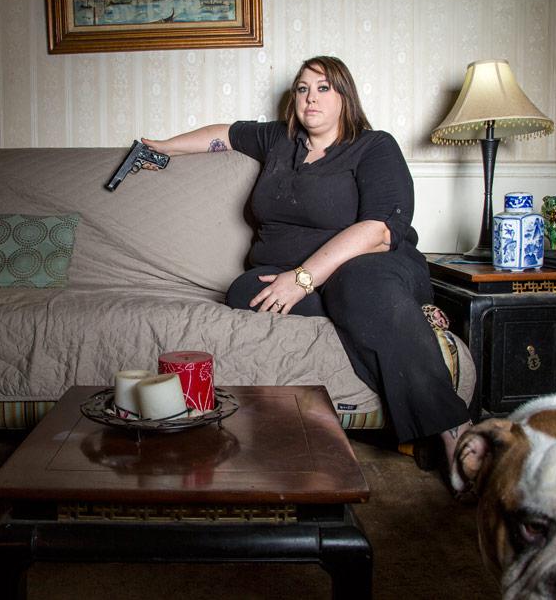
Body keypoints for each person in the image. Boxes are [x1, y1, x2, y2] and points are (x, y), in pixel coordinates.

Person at [141, 55, 471, 474]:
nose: (310, 98)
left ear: (344, 96)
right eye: (302, 89)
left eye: (323, 88)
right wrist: (164, 147)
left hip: (368, 265)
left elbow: (378, 231)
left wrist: (302, 279)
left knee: (356, 287)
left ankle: (453, 430)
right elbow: (222, 134)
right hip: (294, 274)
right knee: (245, 291)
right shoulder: (279, 141)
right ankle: (400, 318)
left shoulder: (374, 146)